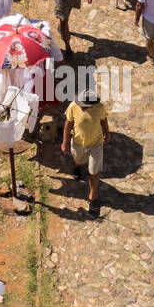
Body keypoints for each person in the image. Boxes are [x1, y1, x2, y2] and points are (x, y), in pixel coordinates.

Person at [62, 86, 110, 217]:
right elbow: (68, 124)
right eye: (81, 105)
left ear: (92, 104)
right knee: (78, 159)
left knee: (94, 171)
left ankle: (92, 197)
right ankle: (77, 167)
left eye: (85, 106)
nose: (82, 108)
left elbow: (103, 120)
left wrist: (107, 133)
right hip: (78, 142)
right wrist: (65, 141)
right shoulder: (73, 106)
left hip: (96, 143)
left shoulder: (99, 107)